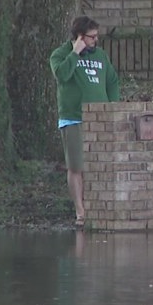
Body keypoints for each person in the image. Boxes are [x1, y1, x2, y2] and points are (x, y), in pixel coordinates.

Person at [49, 16, 120, 228]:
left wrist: (112, 106)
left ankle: (96, 207)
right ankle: (80, 210)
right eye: (91, 37)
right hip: (73, 118)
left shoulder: (100, 56)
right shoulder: (61, 55)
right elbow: (61, 75)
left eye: (97, 37)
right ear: (79, 37)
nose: (95, 41)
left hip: (100, 117)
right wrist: (75, 53)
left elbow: (112, 81)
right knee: (76, 166)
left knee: (97, 165)